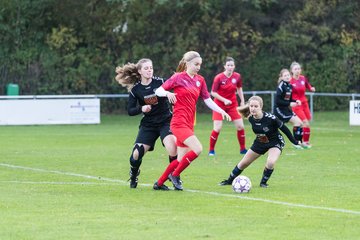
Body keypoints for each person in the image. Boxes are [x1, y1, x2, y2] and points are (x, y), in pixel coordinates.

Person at [155, 51, 231, 191]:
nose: (198, 67)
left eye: (200, 65)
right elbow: (158, 91)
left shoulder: (200, 80)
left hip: (189, 123)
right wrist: (168, 93)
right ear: (187, 63)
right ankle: (175, 175)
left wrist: (221, 110)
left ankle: (159, 183)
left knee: (179, 159)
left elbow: (207, 99)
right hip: (178, 122)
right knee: (198, 149)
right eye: (196, 64)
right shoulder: (177, 77)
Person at [115, 58, 177, 190]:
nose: (149, 70)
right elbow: (130, 111)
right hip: (148, 125)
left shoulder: (160, 82)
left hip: (165, 121)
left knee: (173, 148)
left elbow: (173, 90)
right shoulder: (136, 90)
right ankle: (134, 173)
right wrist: (141, 109)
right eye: (146, 68)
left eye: (151, 68)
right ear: (139, 71)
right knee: (136, 153)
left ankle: (173, 175)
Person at [219, 96, 301, 188]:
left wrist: (294, 141)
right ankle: (229, 181)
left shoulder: (271, 118)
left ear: (261, 107)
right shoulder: (250, 118)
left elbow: (285, 129)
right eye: (251, 106)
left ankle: (263, 183)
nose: (253, 109)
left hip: (275, 142)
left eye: (256, 106)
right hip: (260, 142)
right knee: (243, 163)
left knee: (270, 162)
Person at [208, 57, 247, 156]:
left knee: (240, 126)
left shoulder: (237, 76)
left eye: (232, 65)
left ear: (234, 66)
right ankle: (211, 150)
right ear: (225, 66)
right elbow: (213, 92)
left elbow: (239, 89)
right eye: (228, 65)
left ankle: (243, 149)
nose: (230, 67)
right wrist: (224, 100)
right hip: (218, 105)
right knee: (218, 127)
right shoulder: (219, 77)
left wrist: (242, 100)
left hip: (232, 105)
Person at [273, 69, 304, 149]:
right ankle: (296, 143)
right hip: (279, 110)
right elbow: (278, 101)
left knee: (300, 123)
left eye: (288, 75)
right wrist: (289, 103)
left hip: (286, 109)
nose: (287, 77)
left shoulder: (289, 86)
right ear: (282, 77)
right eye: (285, 75)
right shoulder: (281, 86)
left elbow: (288, 99)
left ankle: (300, 143)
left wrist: (295, 101)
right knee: (297, 122)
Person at [290, 62, 316, 148]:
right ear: (292, 71)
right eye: (295, 69)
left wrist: (311, 88)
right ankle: (302, 142)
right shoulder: (290, 81)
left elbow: (307, 85)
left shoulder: (302, 78)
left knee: (305, 123)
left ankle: (303, 142)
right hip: (297, 105)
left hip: (304, 103)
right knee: (304, 122)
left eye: (299, 69)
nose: (297, 71)